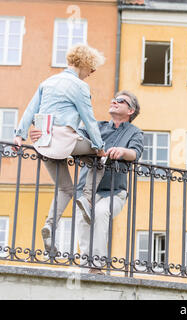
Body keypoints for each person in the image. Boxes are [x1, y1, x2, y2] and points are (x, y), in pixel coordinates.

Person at [30, 90, 143, 274]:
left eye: (120, 101)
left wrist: (122, 151)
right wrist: (42, 134)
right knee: (83, 221)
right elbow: (72, 138)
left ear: (131, 111)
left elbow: (135, 153)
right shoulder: (96, 126)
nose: (114, 101)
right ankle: (86, 263)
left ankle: (96, 266)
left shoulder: (134, 132)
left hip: (113, 191)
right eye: (113, 99)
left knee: (99, 213)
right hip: (86, 190)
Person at [13, 44, 107, 253]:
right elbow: (89, 120)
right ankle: (86, 198)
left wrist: (19, 134)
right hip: (65, 141)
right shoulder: (79, 86)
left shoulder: (47, 82)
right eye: (91, 68)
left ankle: (49, 226)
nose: (92, 73)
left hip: (44, 142)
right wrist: (99, 147)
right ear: (84, 65)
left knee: (65, 188)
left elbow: (30, 109)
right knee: (100, 158)